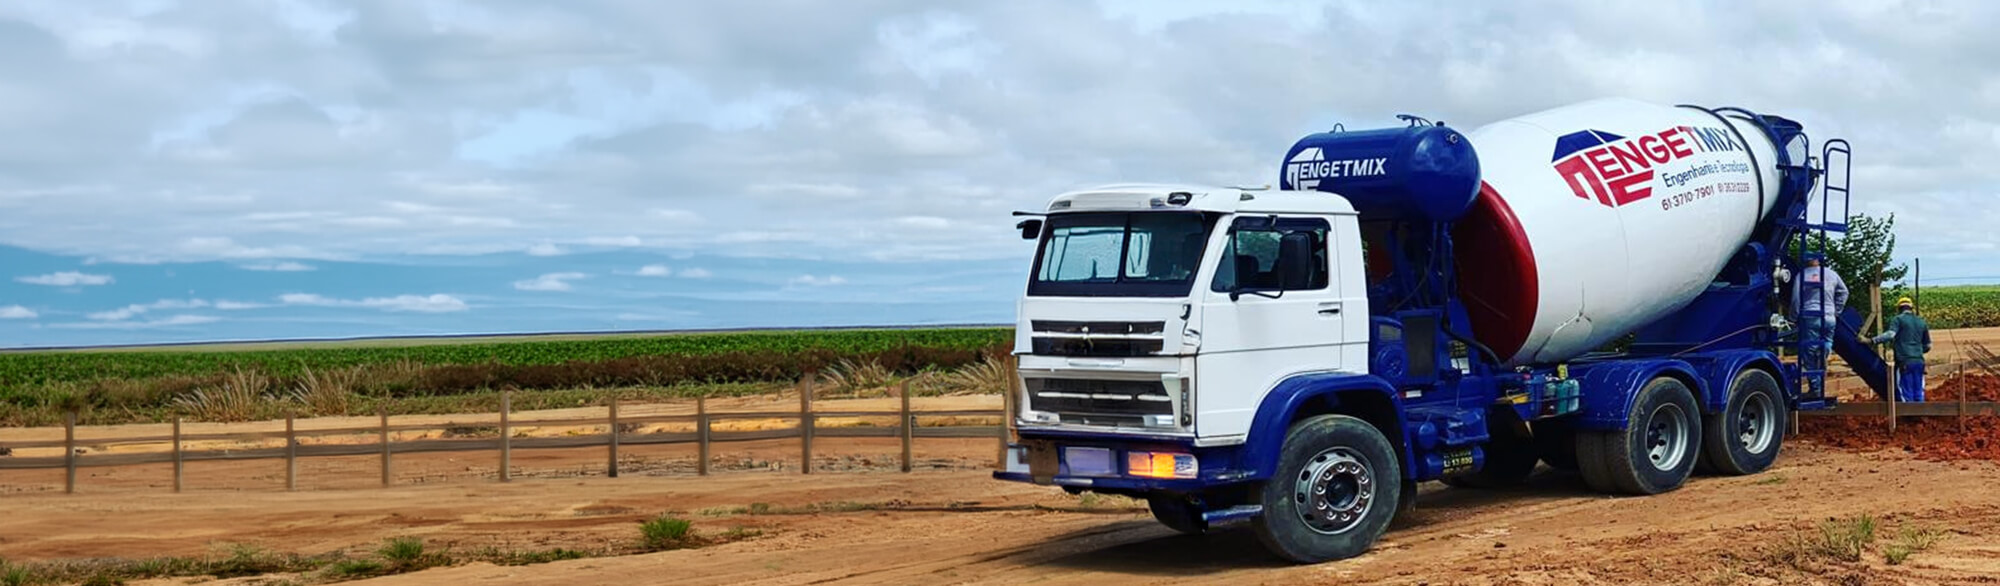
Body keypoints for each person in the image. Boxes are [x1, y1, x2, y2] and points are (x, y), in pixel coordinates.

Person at [1791, 254, 1848, 395]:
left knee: (1809, 353)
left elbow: (1796, 298)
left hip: (1811, 316)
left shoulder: (1802, 275)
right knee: (1827, 341)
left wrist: (1793, 317)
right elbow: (1844, 292)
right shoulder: (1831, 274)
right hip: (1829, 317)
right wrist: (1837, 310)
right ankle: (1825, 352)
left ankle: (1815, 389)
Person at [1872, 297, 1932, 402]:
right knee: (1919, 390)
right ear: (1911, 308)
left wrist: (1872, 340)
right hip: (1919, 362)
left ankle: (1908, 416)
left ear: (1899, 308)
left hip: (1904, 362)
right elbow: (1928, 346)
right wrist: (1915, 351)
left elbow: (1890, 334)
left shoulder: (1898, 319)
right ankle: (1920, 414)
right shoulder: (1921, 322)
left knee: (1906, 391)